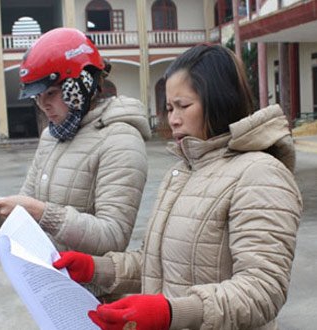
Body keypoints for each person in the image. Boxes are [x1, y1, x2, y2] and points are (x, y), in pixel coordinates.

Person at [53, 44, 302, 330]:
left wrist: (170, 312)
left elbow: (262, 291)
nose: (173, 118)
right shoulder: (183, 171)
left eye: (184, 106)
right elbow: (156, 261)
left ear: (220, 101)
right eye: (169, 108)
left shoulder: (260, 174)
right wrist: (95, 268)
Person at [0, 27, 151, 258]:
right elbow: (24, 215)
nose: (42, 105)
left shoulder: (119, 139)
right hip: (49, 280)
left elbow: (113, 236)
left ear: (82, 86)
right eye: (37, 97)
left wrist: (42, 212)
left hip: (91, 289)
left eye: (51, 93)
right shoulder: (52, 136)